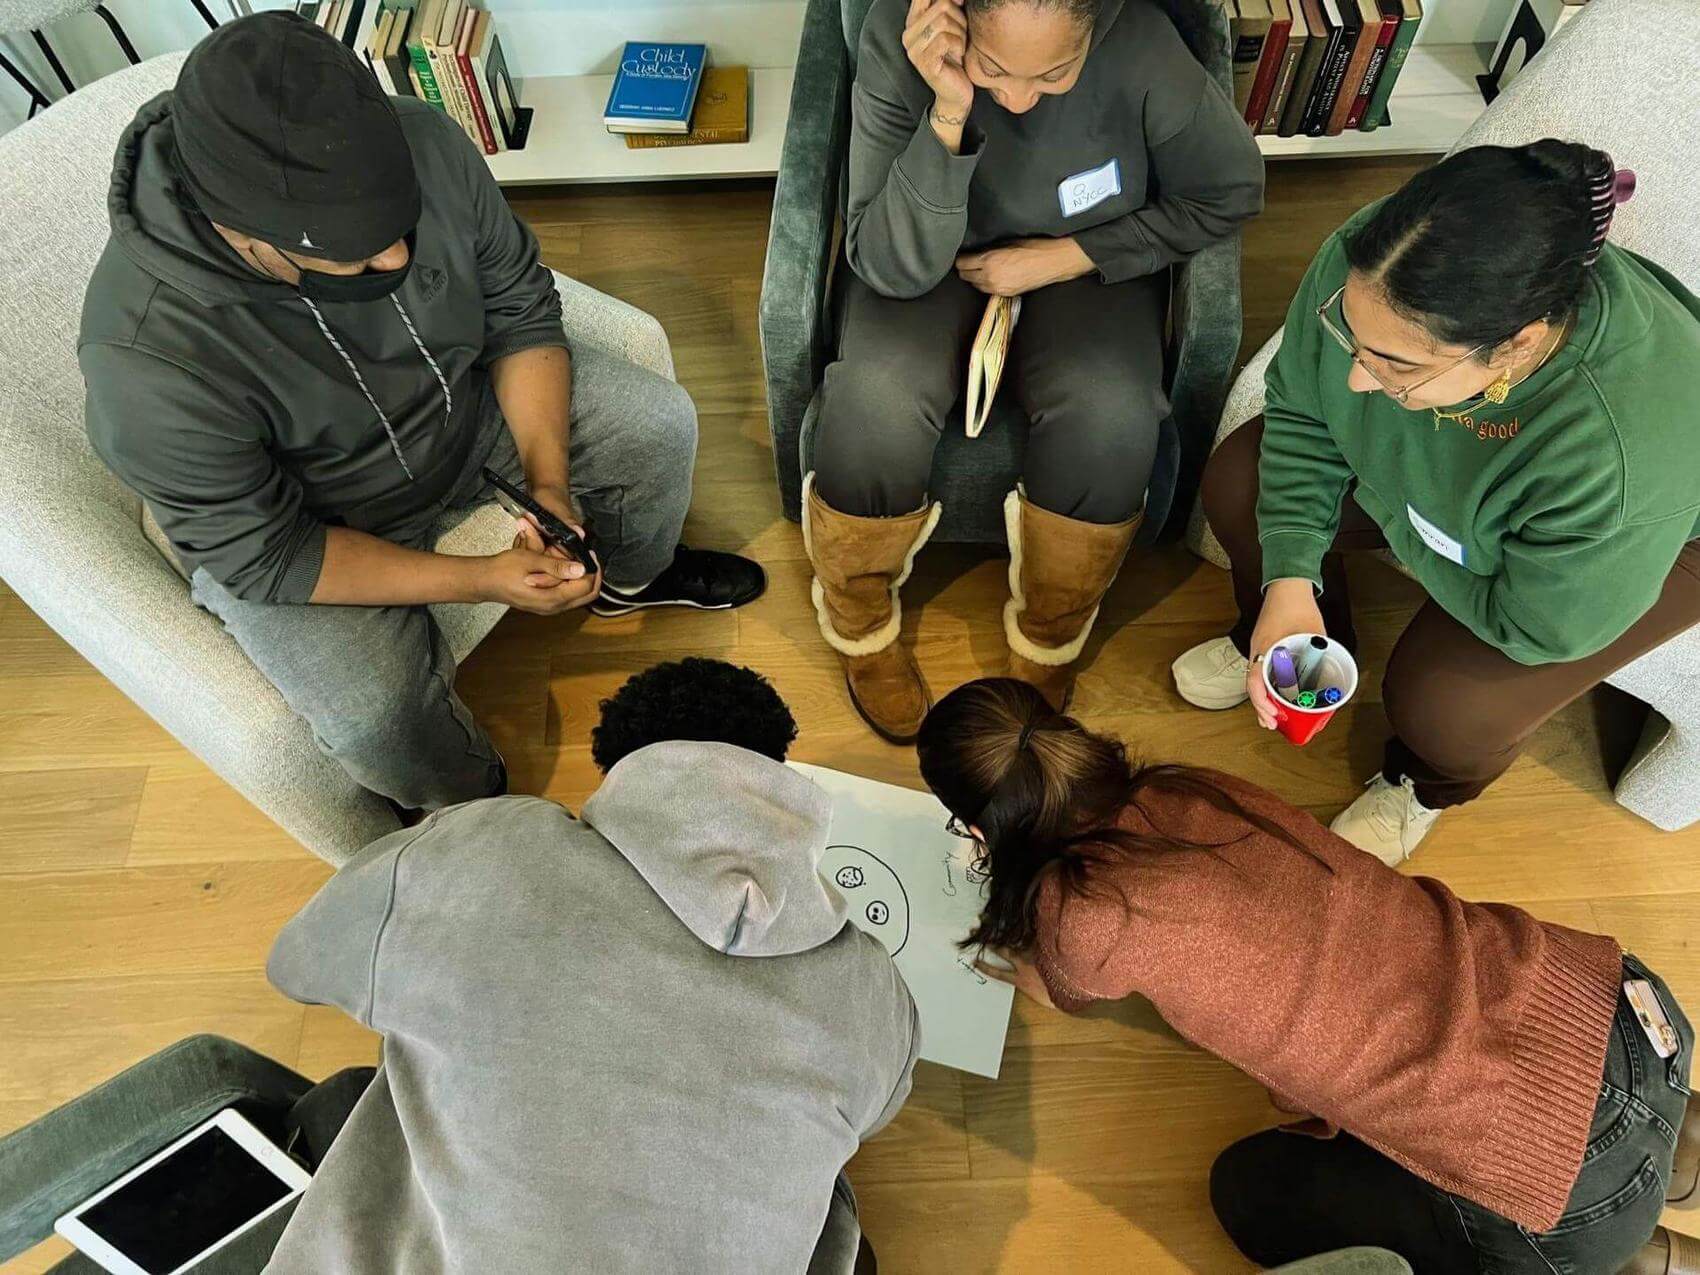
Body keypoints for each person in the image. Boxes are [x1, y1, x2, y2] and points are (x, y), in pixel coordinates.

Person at [79, 13, 764, 815]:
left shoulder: (427, 141)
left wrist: (550, 482)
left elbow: (518, 309)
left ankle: (633, 579)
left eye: (401, 230)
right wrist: (483, 581)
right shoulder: (145, 359)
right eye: (360, 255)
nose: (399, 262)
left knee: (657, 424)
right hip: (310, 519)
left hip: (463, 410)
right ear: (248, 237)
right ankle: (467, 804)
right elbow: (270, 556)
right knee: (376, 716)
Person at [915, 677, 1700, 1275]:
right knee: (1640, 1128)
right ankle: (1681, 1151)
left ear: (983, 825)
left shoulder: (1077, 913)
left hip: (1568, 1185)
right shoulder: (1187, 787)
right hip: (1616, 1010)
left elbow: (1068, 987)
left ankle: (1639, 1254)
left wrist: (1030, 963)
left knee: (1250, 1194)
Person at [263, 657, 918, 1273]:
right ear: (778, 774)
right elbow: (876, 1115)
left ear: (618, 767)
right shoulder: (876, 992)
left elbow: (298, 963)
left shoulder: (483, 848)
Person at [1170, 141, 1700, 863]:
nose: (1357, 380)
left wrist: (1395, 509)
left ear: (1516, 348)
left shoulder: (1617, 452)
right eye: (1352, 340)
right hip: (1462, 491)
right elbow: (1304, 410)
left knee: (1445, 706)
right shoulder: (1381, 265)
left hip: (1637, 549)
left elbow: (1543, 626)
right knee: (1240, 483)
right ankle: (1311, 634)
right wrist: (1291, 583)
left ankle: (1424, 785)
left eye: (1395, 364)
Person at [803, 0, 1263, 741]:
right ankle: (860, 622)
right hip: (926, 255)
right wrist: (949, 111)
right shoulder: (904, 34)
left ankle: (1052, 634)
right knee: (875, 400)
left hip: (1084, 259)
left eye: (1053, 73)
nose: (1016, 99)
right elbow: (888, 265)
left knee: (1110, 412)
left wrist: (1058, 258)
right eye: (993, 70)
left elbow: (1230, 189)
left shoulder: (1139, 44)